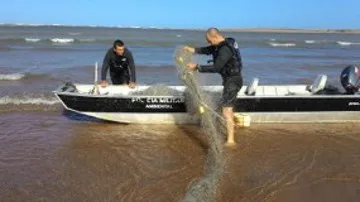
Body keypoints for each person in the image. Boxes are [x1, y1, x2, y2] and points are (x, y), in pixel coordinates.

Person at [184, 27, 243, 146]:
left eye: (209, 40)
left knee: (226, 109)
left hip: (232, 81)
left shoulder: (225, 49)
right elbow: (209, 49)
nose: (208, 43)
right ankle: (231, 127)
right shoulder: (221, 44)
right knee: (227, 107)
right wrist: (193, 50)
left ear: (215, 36)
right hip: (231, 80)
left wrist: (196, 67)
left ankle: (231, 140)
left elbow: (217, 67)